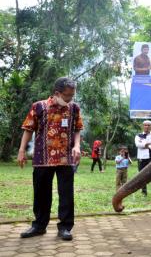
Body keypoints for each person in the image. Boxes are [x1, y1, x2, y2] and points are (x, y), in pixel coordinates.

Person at [17, 77, 83, 241]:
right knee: (41, 193)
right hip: (42, 157)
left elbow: (77, 129)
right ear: (57, 93)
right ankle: (39, 226)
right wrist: (21, 150)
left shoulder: (74, 108)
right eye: (67, 96)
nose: (69, 99)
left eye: (72, 95)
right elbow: (28, 129)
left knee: (66, 194)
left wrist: (77, 146)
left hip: (66, 158)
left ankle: (65, 227)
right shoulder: (38, 106)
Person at [135, 120, 151, 196]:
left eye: (149, 125)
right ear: (143, 126)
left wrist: (145, 145)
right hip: (141, 156)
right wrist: (148, 144)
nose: (147, 127)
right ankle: (144, 191)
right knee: (142, 174)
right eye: (145, 125)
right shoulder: (138, 135)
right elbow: (138, 144)